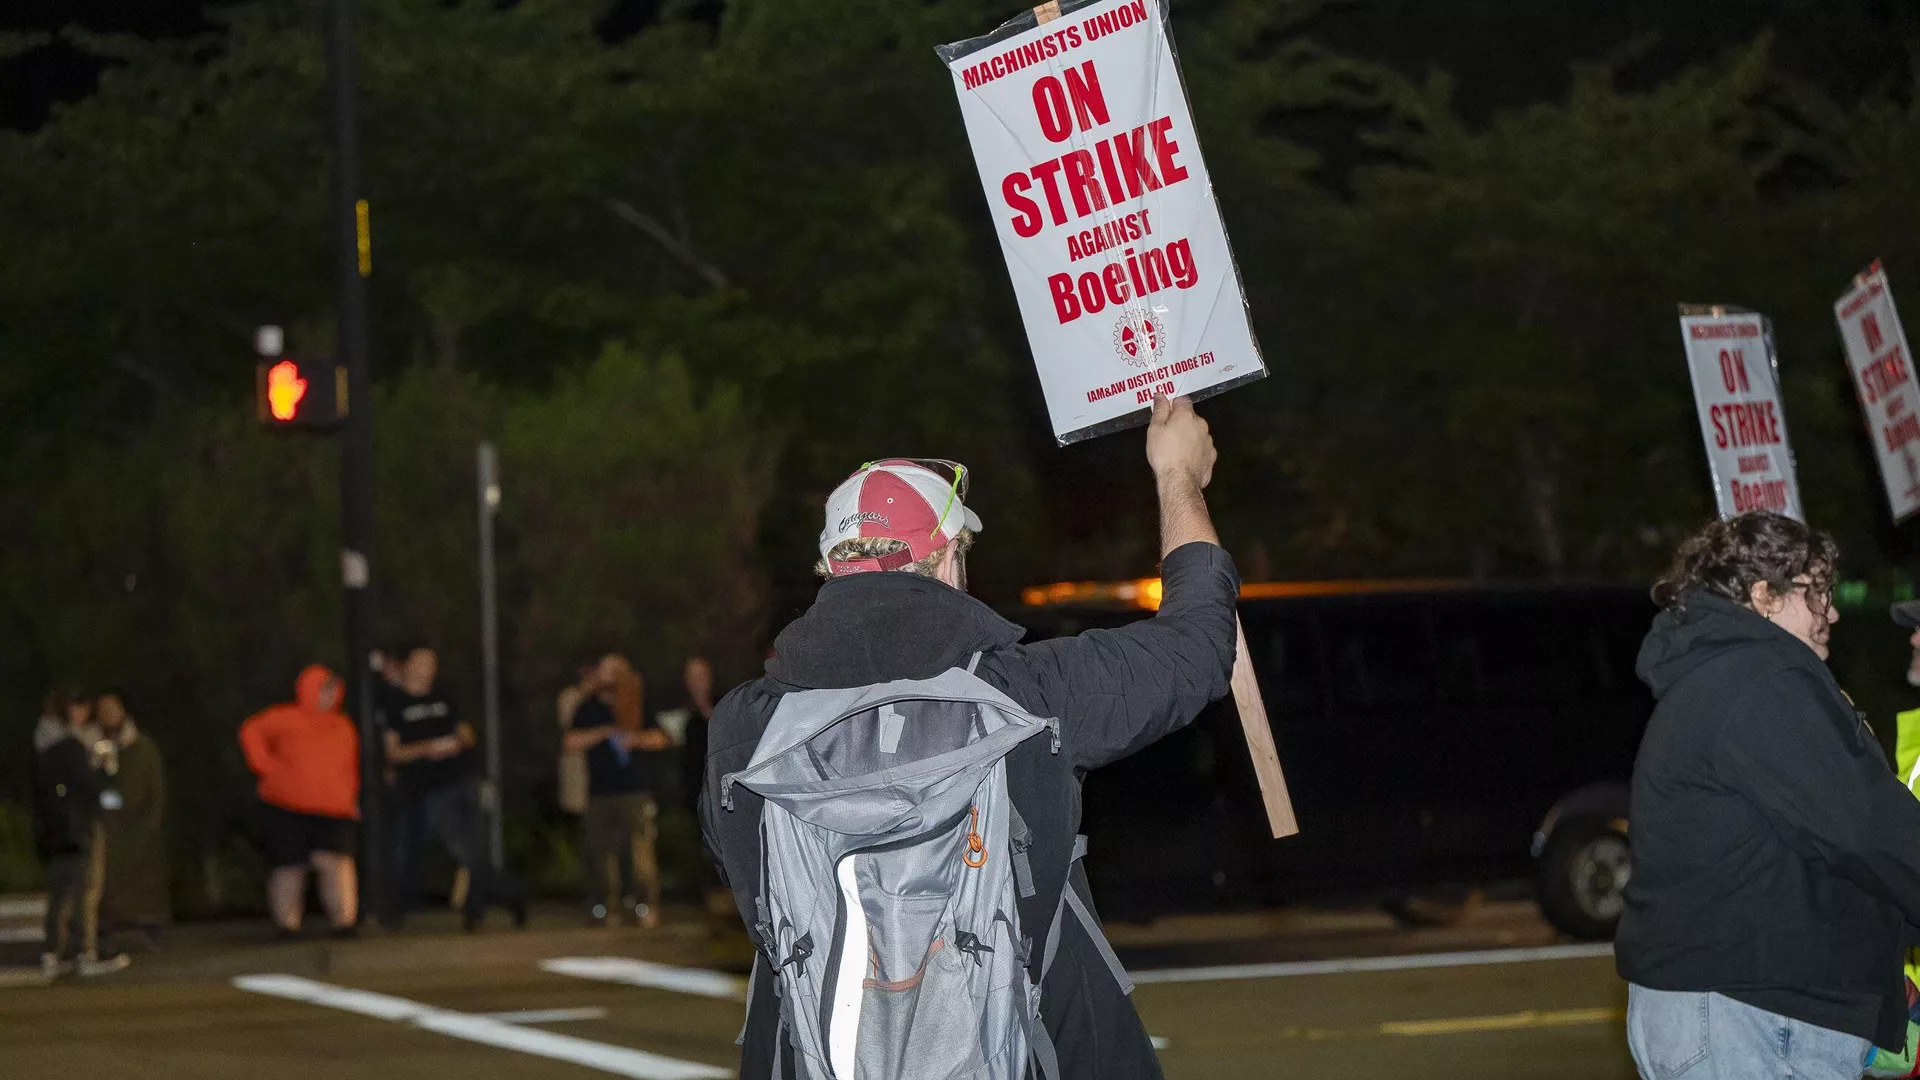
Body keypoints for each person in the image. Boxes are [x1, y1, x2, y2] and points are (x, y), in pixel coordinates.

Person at [700, 396, 1237, 1080]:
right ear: (950, 558)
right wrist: (1177, 475)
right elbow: (1198, 645)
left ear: (831, 569)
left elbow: (750, 889)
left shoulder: (744, 732)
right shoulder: (1029, 699)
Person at [1617, 510, 1920, 1079]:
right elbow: (1865, 830)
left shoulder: (1721, 676)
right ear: (1765, 595)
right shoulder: (1763, 679)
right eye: (1817, 592)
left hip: (1722, 1004)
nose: (1830, 612)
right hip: (1755, 1014)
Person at [380, 641, 527, 931]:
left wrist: (455, 743)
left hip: (463, 779)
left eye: (432, 663)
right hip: (431, 788)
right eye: (422, 662)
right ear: (407, 664)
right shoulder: (395, 702)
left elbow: (467, 734)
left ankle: (477, 911)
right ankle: (512, 894)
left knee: (475, 848)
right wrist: (427, 749)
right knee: (461, 849)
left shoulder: (445, 695)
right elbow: (393, 752)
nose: (428, 669)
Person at [239, 665, 361, 937]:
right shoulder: (285, 718)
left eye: (333, 689)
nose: (329, 695)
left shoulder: (343, 726)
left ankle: (344, 923)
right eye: (324, 688)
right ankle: (286, 926)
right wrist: (265, 765)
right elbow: (250, 731)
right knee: (289, 866)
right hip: (286, 806)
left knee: (336, 863)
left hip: (334, 809)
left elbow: (349, 768)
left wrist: (352, 798)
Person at [563, 654, 670, 926]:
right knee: (600, 852)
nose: (609, 677)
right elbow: (570, 741)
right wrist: (604, 732)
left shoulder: (638, 703)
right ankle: (604, 907)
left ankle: (645, 906)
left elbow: (661, 738)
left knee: (640, 852)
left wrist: (636, 740)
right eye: (604, 671)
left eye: (615, 671)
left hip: (635, 790)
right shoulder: (588, 707)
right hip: (599, 792)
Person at [32, 689, 130, 980]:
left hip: (53, 832)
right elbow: (94, 789)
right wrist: (107, 771)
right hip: (80, 829)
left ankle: (52, 954)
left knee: (59, 893)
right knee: (86, 892)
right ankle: (85, 953)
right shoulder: (74, 748)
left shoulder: (44, 747)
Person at [94, 690, 169, 947]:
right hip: (106, 824)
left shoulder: (142, 746)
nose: (108, 715)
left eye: (112, 708)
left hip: (138, 824)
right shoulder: (95, 745)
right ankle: (106, 929)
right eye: (102, 710)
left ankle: (149, 926)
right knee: (106, 881)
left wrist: (152, 821)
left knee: (143, 882)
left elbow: (156, 787)